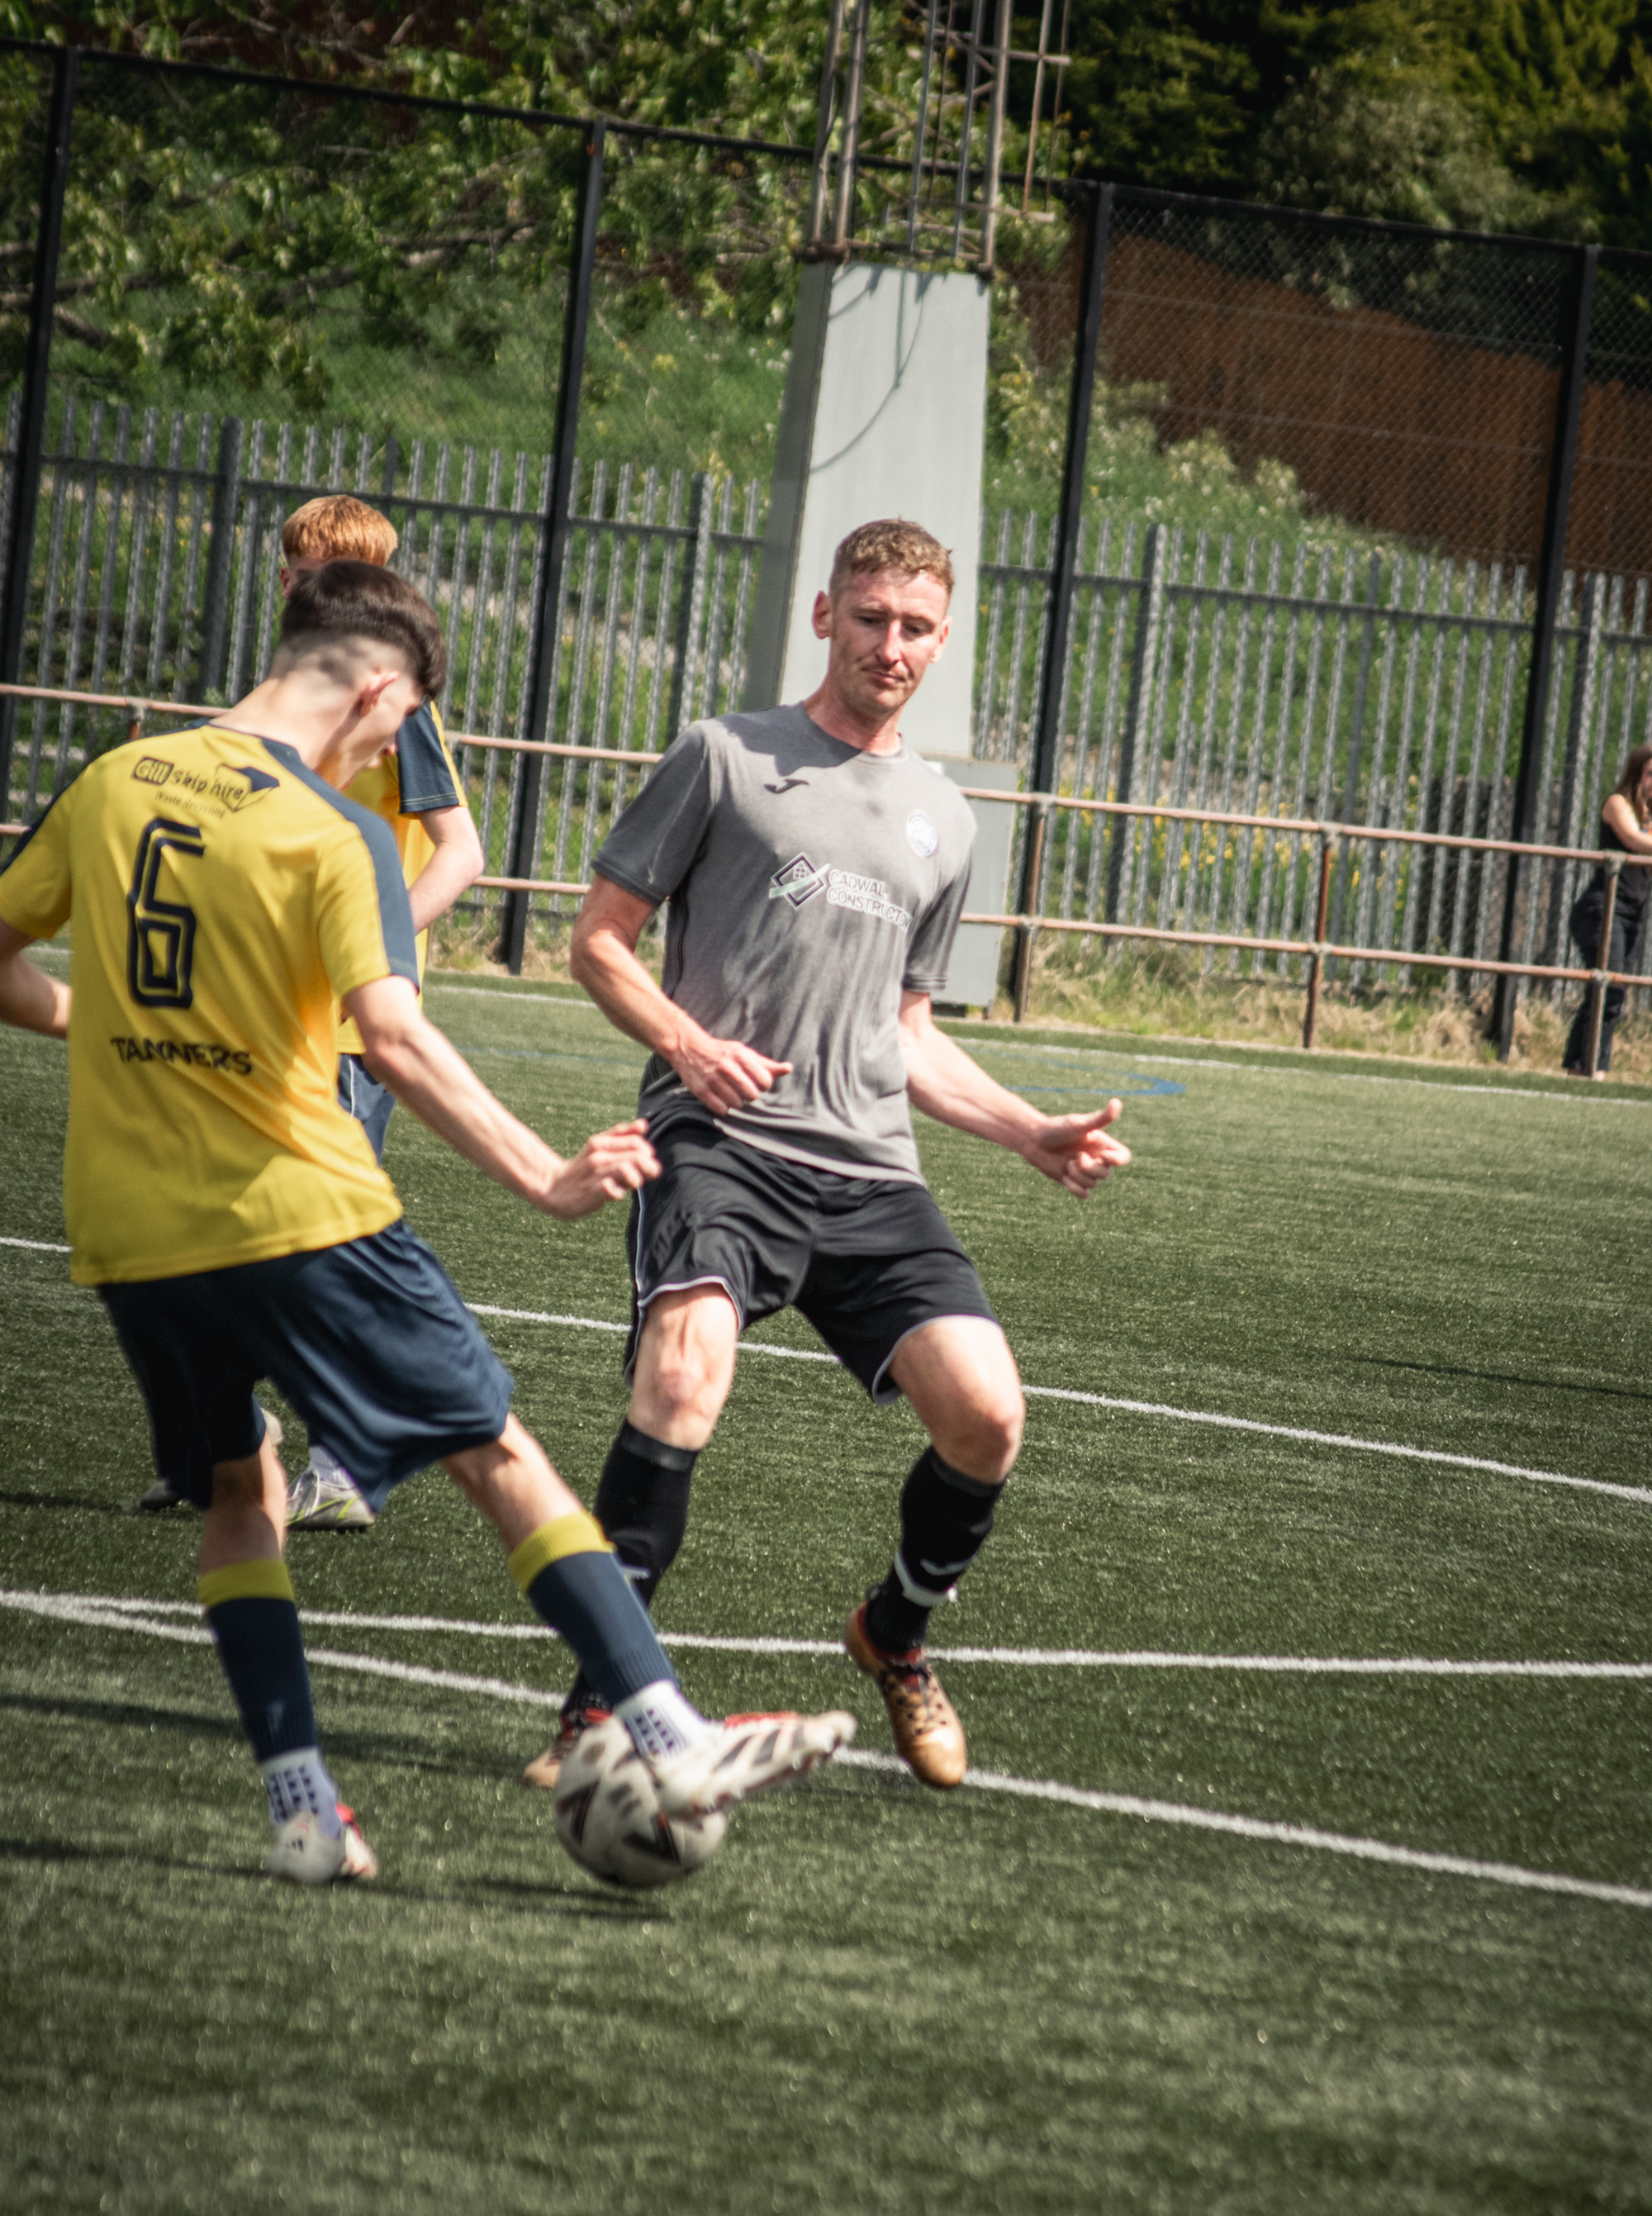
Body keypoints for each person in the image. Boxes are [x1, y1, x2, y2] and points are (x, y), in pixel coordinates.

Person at [0, 562, 853, 1886]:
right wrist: (544, 1174)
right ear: (382, 690)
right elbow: (392, 1038)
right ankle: (670, 1731)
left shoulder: (116, 781)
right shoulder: (332, 832)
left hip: (128, 1229)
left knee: (242, 1487)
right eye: (400, 730)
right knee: (496, 1448)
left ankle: (302, 1812)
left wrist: (107, 1031)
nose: (393, 750)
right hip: (297, 1207)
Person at [520, 517, 1131, 1797]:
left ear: (943, 639)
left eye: (915, 628)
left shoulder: (944, 822)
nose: (890, 646)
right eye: (870, 620)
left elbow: (904, 1030)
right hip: (719, 1145)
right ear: (825, 617)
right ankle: (595, 1708)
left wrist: (1028, 1132)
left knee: (990, 1416)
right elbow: (598, 941)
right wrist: (688, 1046)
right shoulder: (726, 757)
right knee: (682, 1381)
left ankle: (895, 1636)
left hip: (867, 1169)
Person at [136, 494, 488, 1528]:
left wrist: (367, 959)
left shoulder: (399, 711)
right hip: (251, 1014)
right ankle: (226, 1453)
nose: (301, 587)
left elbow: (462, 851)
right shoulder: (270, 709)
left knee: (319, 1240)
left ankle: (346, 1459)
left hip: (344, 1030)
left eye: (324, 574)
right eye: (296, 570)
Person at [1562, 742, 1652, 1077]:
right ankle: (1588, 1065)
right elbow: (1632, 840)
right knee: (1607, 987)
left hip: (1632, 913)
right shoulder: (1618, 804)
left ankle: (1583, 1064)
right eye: (1650, 774)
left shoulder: (1649, 815)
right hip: (1603, 909)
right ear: (1637, 773)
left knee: (1612, 991)